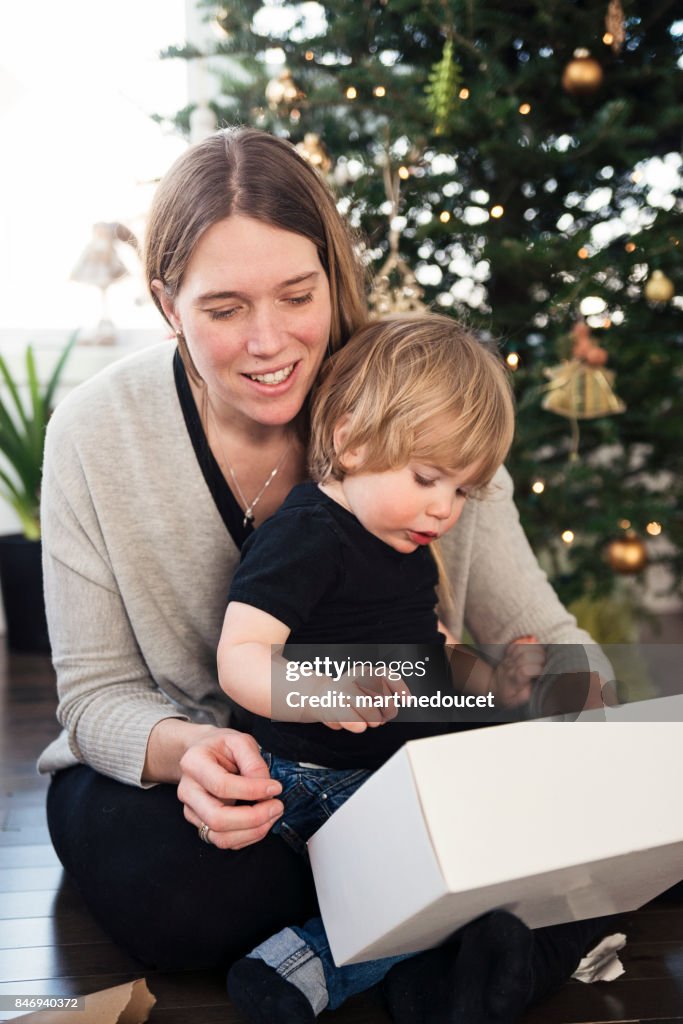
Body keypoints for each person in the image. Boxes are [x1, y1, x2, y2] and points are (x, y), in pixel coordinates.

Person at [38, 126, 613, 1022]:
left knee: (616, 811)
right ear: (167, 304)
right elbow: (95, 694)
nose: (269, 343)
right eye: (223, 308)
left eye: (297, 295)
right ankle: (457, 924)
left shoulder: (421, 397)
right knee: (181, 898)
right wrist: (195, 756)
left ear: (333, 279)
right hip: (191, 771)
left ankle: (415, 941)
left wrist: (566, 706)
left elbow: (541, 637)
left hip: (387, 766)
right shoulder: (96, 434)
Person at [218, 313, 548, 1023]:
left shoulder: (404, 545)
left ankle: (449, 965)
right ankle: (300, 970)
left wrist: (497, 684)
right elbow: (239, 659)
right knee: (421, 878)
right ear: (350, 438)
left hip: (393, 767)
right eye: (428, 478)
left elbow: (433, 659)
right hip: (313, 775)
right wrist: (320, 686)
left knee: (499, 842)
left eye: (462, 492)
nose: (443, 508)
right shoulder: (307, 536)